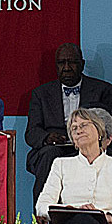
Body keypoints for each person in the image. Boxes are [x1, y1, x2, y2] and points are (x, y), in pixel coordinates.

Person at [27, 44, 96, 188]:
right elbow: (32, 132)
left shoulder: (102, 90)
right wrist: (46, 137)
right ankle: (43, 209)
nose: (66, 68)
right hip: (54, 147)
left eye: (72, 62)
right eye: (61, 63)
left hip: (89, 146)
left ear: (82, 64)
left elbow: (109, 127)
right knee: (50, 155)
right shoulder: (41, 94)